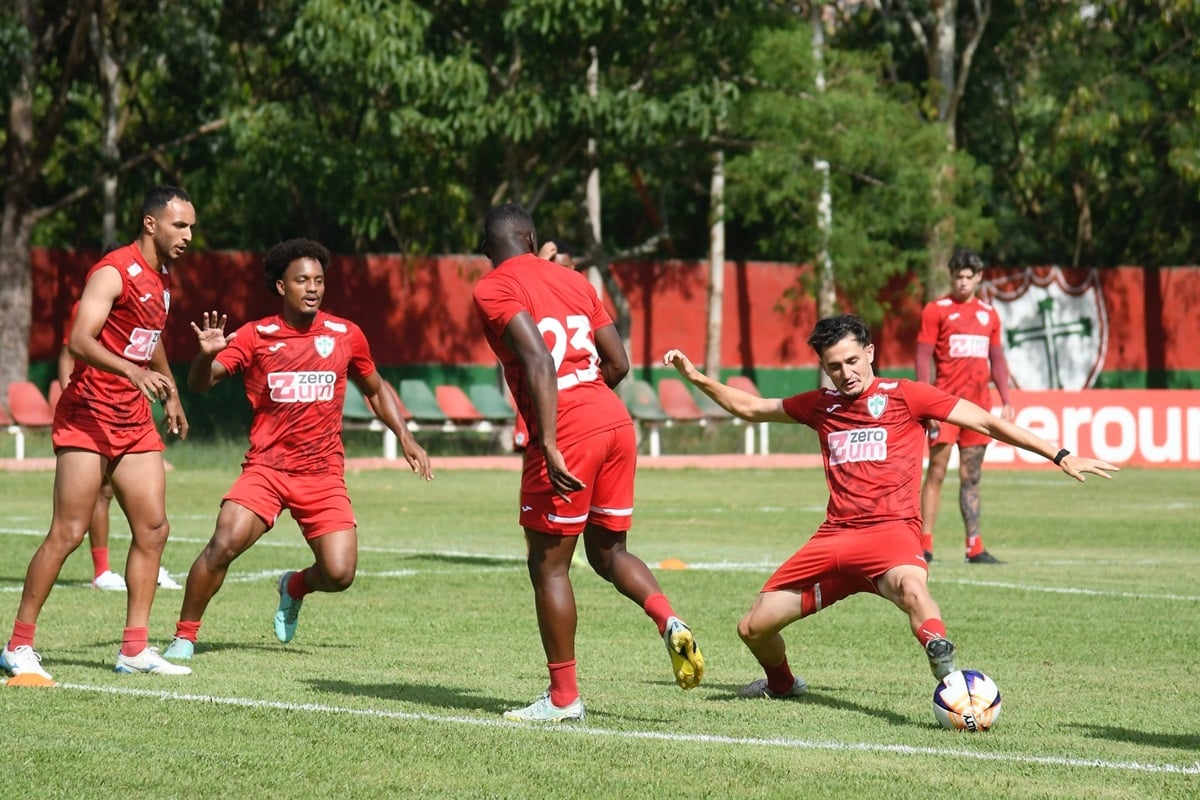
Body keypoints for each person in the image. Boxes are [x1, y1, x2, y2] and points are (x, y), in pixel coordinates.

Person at [663, 314, 1116, 700]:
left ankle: (946, 668)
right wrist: (696, 377)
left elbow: (985, 420)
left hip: (891, 534)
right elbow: (751, 407)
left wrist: (1060, 454)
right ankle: (782, 684)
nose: (846, 373)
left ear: (870, 353)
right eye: (834, 366)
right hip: (834, 541)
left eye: (852, 361)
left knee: (912, 589)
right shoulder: (821, 405)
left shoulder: (907, 395)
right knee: (752, 628)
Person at [473, 204, 704, 723]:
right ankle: (668, 619)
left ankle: (563, 698)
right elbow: (618, 362)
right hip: (614, 419)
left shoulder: (492, 287)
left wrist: (552, 438)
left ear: (488, 248)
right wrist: (592, 404)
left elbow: (537, 358)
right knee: (608, 551)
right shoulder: (575, 280)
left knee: (548, 566)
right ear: (532, 239)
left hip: (567, 428)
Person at [162, 238, 433, 663]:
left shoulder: (345, 335)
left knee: (340, 573)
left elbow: (375, 389)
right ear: (280, 286)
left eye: (319, 281)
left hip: (322, 474)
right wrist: (204, 357)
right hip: (267, 470)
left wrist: (405, 435)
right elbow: (201, 383)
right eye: (302, 280)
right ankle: (184, 637)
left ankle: (294, 586)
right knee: (223, 543)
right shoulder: (255, 335)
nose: (312, 288)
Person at [1, 186, 197, 684]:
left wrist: (171, 391)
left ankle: (134, 649)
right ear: (151, 224)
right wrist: (132, 372)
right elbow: (79, 340)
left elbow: (149, 339)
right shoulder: (113, 271)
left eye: (191, 227)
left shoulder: (163, 278)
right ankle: (18, 645)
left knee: (153, 529)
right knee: (68, 532)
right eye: (179, 225)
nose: (188, 236)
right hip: (88, 415)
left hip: (132, 418)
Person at [58, 298, 183, 592]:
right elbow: (69, 351)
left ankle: (146, 568)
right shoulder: (91, 303)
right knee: (76, 521)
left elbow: (151, 345)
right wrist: (70, 397)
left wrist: (171, 392)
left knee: (150, 518)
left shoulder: (149, 298)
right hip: (94, 414)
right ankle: (101, 570)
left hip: (130, 413)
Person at [916, 248, 1015, 564]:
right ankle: (924, 545)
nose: (962, 282)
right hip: (944, 407)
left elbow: (997, 359)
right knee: (937, 471)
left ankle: (974, 546)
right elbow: (922, 357)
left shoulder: (989, 314)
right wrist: (925, 401)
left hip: (978, 409)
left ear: (978, 278)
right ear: (951, 276)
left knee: (971, 476)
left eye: (968, 277)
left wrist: (1006, 399)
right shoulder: (936, 310)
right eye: (958, 276)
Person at [513, 240, 577, 451]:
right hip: (540, 390)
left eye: (563, 267)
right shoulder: (534, 295)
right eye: (551, 266)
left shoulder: (580, 296)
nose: (556, 273)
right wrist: (538, 264)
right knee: (534, 453)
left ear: (573, 267)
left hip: (574, 392)